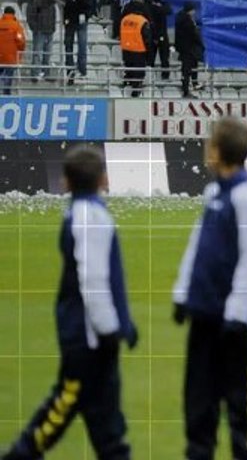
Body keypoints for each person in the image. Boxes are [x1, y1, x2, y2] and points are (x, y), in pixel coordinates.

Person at [0, 145, 138, 460]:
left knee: (104, 423)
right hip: (90, 338)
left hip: (85, 334)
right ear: (104, 178)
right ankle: (20, 454)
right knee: (69, 403)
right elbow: (94, 281)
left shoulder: (79, 213)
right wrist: (111, 329)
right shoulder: (91, 217)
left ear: (65, 182)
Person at [172, 118, 247, 460]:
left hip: (232, 321)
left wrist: (238, 312)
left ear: (217, 150)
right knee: (198, 397)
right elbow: (197, 245)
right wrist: (183, 293)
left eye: (209, 142)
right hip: (204, 312)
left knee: (241, 399)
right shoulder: (214, 192)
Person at [56, 0, 90, 83]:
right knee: (81, 47)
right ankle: (81, 70)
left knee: (69, 48)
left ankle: (71, 72)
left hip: (69, 21)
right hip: (79, 22)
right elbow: (89, 8)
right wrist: (84, 16)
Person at [119, 0, 152, 97]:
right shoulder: (142, 21)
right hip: (138, 49)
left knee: (129, 68)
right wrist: (149, 53)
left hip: (126, 48)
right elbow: (147, 38)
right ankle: (136, 90)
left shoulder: (124, 19)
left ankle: (127, 81)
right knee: (138, 71)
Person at [175, 1, 204, 97]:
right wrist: (201, 44)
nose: (195, 12)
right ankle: (186, 90)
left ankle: (193, 84)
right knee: (187, 69)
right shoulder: (187, 22)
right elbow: (194, 34)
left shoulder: (180, 18)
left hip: (185, 48)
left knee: (191, 67)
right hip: (189, 49)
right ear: (190, 10)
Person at [26, 0, 55, 80]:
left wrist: (53, 28)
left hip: (49, 31)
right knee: (37, 53)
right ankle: (35, 74)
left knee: (47, 54)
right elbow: (31, 17)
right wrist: (35, 28)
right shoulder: (36, 4)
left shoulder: (52, 5)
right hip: (40, 32)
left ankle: (46, 73)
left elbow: (53, 17)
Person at [147, 0, 172, 81]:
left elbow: (168, 10)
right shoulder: (149, 7)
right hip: (153, 35)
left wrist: (159, 5)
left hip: (162, 35)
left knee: (164, 58)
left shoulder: (163, 7)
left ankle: (165, 75)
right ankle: (149, 76)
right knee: (150, 58)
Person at [0, 5, 24, 94]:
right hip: (11, 57)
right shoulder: (16, 26)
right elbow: (21, 41)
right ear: (14, 14)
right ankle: (6, 94)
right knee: (8, 76)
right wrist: (20, 50)